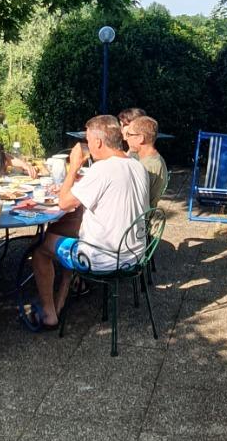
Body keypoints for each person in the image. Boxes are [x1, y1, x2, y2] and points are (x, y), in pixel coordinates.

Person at [22, 113, 148, 331]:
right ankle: (67, 291)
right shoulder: (137, 166)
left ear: (98, 142)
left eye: (88, 140)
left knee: (41, 247)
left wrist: (73, 166)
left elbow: (64, 203)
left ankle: (49, 314)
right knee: (68, 230)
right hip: (135, 253)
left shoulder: (102, 169)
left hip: (104, 258)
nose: (87, 145)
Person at [119, 109, 167, 210]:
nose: (127, 138)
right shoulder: (150, 159)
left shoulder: (147, 166)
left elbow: (131, 198)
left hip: (139, 216)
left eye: (129, 135)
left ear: (140, 138)